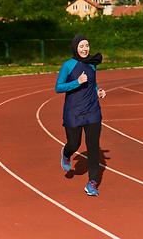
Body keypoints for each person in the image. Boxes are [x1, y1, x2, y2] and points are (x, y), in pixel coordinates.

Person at [55, 34, 106, 196]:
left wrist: (98, 91)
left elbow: (93, 82)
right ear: (75, 47)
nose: (85, 49)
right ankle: (66, 153)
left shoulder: (92, 64)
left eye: (87, 46)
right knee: (74, 143)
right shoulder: (68, 66)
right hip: (73, 111)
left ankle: (92, 183)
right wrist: (77, 82)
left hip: (92, 110)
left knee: (93, 147)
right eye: (82, 46)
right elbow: (59, 87)